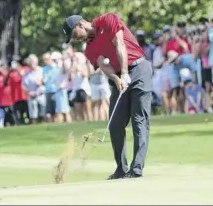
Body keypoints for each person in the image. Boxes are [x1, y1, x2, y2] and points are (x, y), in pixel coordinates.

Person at [62, 13, 152, 179]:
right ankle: (121, 169)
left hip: (139, 69)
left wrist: (125, 73)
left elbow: (119, 43)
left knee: (139, 120)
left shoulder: (108, 20)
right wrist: (117, 79)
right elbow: (104, 65)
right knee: (115, 124)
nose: (76, 39)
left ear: (80, 25)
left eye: (74, 35)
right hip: (120, 77)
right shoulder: (89, 48)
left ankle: (136, 169)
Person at [23, 54, 46, 124]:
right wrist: (29, 92)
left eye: (33, 62)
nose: (32, 64)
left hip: (41, 95)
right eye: (31, 62)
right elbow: (24, 86)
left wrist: (41, 83)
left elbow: (47, 81)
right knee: (33, 115)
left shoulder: (42, 70)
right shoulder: (27, 74)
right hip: (32, 96)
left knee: (43, 113)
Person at [8, 57, 30, 124]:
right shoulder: (12, 74)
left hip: (26, 97)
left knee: (28, 112)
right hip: (17, 98)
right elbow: (11, 87)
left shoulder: (26, 69)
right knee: (19, 115)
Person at [42, 53, 58, 122]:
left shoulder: (56, 67)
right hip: (48, 91)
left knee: (56, 110)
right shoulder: (45, 69)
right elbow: (43, 80)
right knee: (49, 111)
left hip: (56, 90)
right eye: (45, 59)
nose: (46, 61)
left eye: (47, 59)